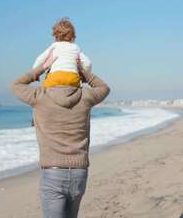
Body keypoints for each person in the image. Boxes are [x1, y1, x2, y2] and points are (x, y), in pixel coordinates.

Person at [11, 49, 110, 218]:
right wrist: (82, 72)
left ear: (51, 74)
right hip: (80, 172)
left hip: (53, 172)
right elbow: (104, 88)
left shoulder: (39, 96)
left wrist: (42, 68)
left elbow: (16, 85)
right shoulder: (85, 96)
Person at [32, 18, 92, 89]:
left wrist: (36, 74)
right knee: (77, 89)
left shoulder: (54, 46)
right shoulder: (75, 47)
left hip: (55, 76)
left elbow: (40, 59)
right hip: (72, 78)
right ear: (73, 36)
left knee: (44, 91)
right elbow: (88, 63)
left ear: (55, 35)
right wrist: (83, 75)